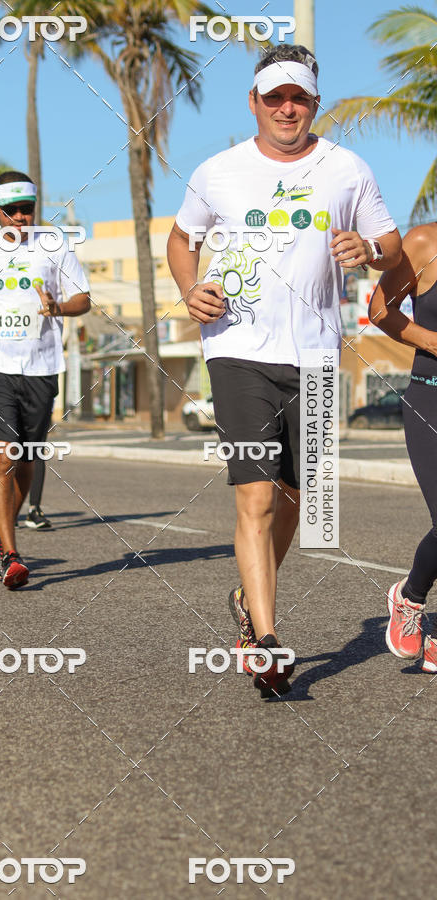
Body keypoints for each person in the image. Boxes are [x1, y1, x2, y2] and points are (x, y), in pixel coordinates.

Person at [167, 43, 402, 697]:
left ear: (314, 103)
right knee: (257, 494)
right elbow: (182, 238)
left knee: (298, 496)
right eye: (275, 97)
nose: (287, 109)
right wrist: (190, 289)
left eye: (299, 98)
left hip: (318, 355)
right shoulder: (219, 171)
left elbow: (390, 245)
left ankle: (248, 595)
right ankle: (265, 641)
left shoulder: (347, 169)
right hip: (237, 348)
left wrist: (367, 249)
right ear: (254, 102)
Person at [0, 170, 90, 589]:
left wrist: (58, 307)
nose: (20, 217)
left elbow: (83, 298)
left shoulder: (54, 244)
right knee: (4, 454)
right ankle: (10, 554)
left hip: (41, 367)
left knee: (27, 458)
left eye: (26, 209)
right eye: (11, 210)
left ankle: (2, 527)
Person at [369, 224, 437, 672]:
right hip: (432, 397)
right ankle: (410, 597)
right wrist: (431, 341)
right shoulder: (424, 243)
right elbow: (379, 309)